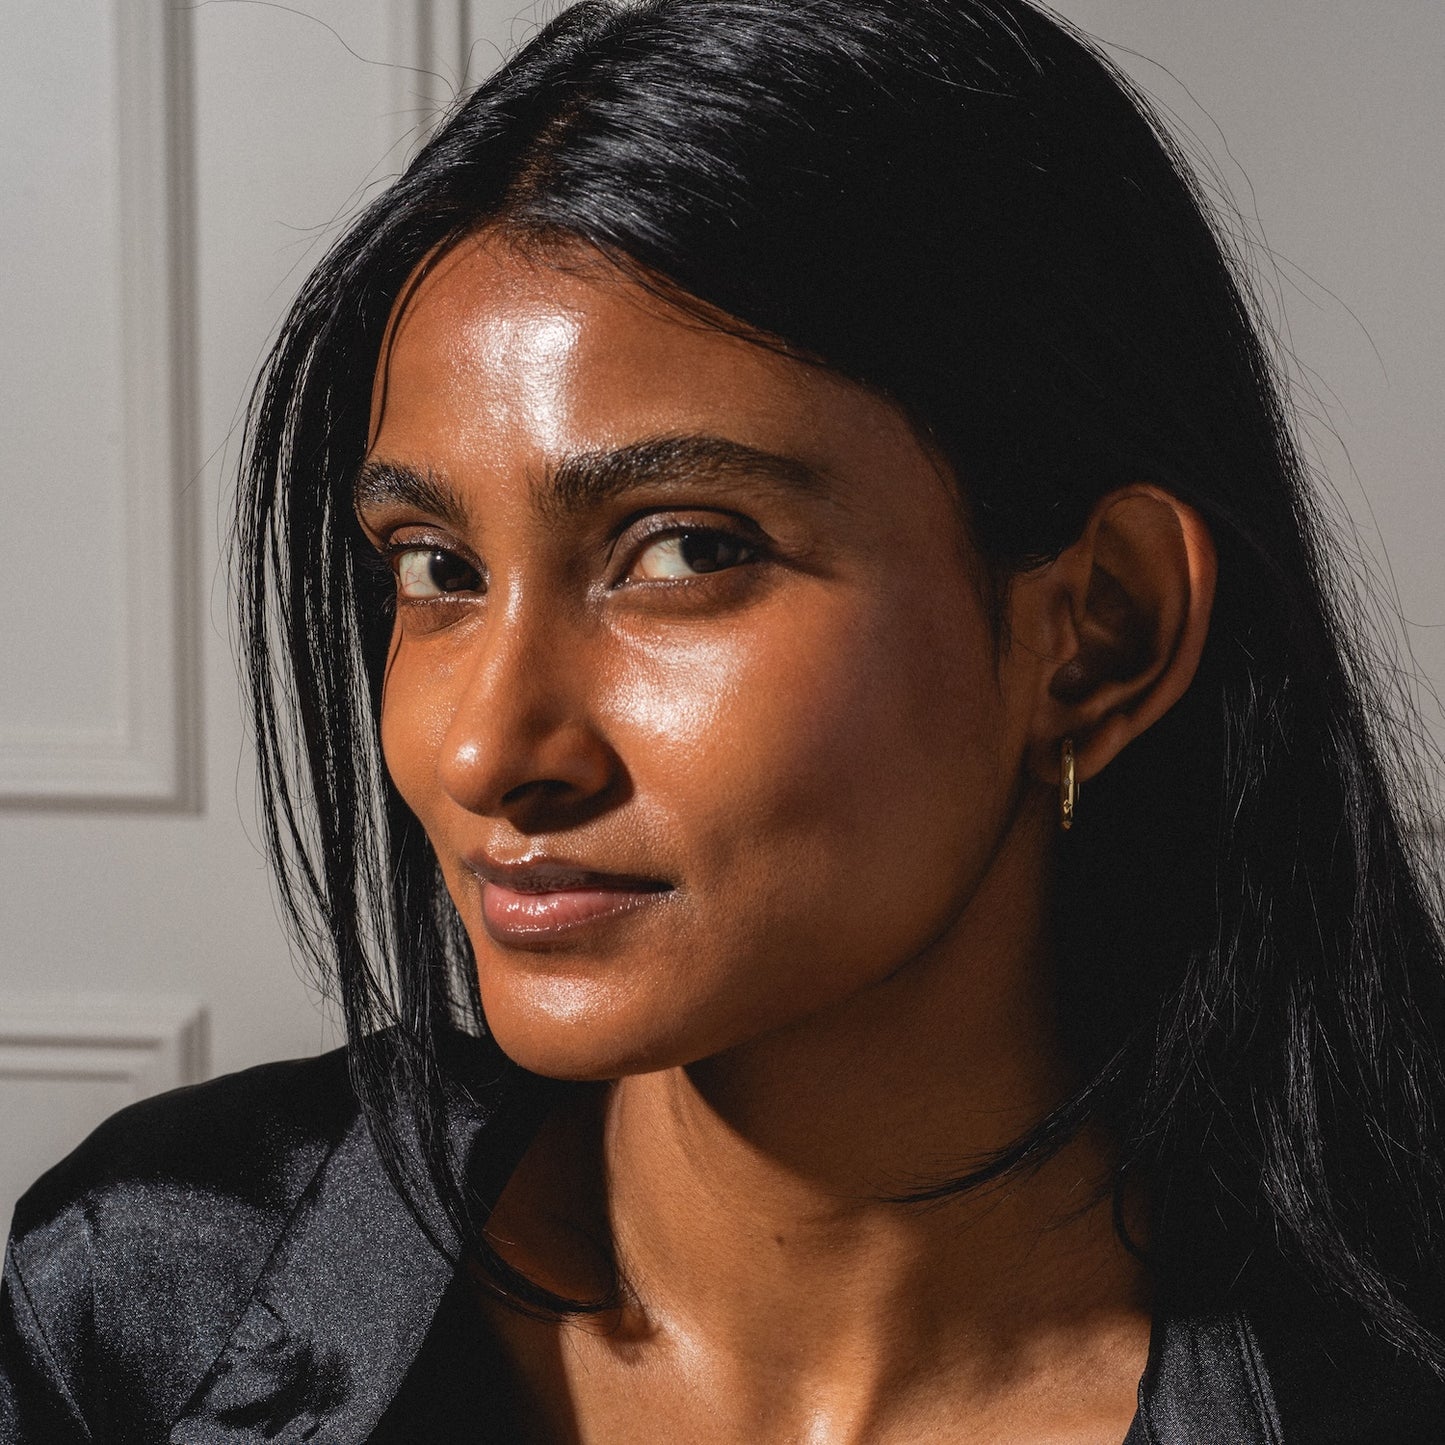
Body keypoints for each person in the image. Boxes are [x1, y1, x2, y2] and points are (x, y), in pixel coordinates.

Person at [5, 0, 1445, 1438]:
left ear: (1098, 631)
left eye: (686, 550)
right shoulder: (152, 1307)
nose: (485, 749)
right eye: (437, 570)